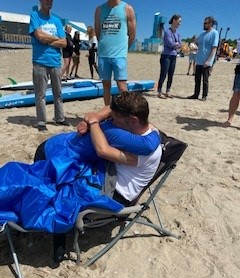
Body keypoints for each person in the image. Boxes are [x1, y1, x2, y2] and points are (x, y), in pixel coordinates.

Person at [35, 91, 162, 263]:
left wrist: (94, 121)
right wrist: (95, 117)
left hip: (113, 191)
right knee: (63, 179)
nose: (110, 121)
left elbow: (105, 150)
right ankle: (55, 232)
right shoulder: (143, 128)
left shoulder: (127, 139)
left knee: (64, 188)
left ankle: (58, 239)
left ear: (133, 120)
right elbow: (112, 110)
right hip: (89, 166)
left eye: (114, 119)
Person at [29, 0, 70, 132]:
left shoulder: (57, 20)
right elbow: (39, 35)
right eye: (47, 0)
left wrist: (46, 41)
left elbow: (64, 43)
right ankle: (41, 122)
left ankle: (59, 118)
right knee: (40, 94)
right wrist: (54, 38)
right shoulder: (35, 15)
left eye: (51, 0)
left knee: (58, 93)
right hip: (40, 61)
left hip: (55, 62)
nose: (49, 2)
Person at [94, 0, 136, 106]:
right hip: (103, 55)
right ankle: (108, 112)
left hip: (119, 56)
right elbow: (98, 33)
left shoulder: (127, 9)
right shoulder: (99, 10)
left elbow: (132, 35)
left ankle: (126, 113)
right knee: (106, 85)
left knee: (122, 86)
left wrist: (122, 50)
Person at [187, 16, 219, 101]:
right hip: (199, 60)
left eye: (205, 23)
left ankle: (204, 96)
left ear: (210, 24)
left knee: (205, 80)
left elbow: (214, 48)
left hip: (207, 61)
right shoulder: (202, 34)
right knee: (197, 79)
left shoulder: (214, 33)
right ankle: (195, 94)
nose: (204, 24)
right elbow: (197, 43)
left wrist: (209, 61)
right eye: (204, 23)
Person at [157, 14, 182, 99]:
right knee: (163, 74)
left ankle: (168, 91)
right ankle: (159, 91)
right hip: (166, 56)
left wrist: (176, 44)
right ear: (174, 20)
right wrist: (176, 44)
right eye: (179, 21)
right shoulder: (167, 32)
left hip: (173, 56)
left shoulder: (178, 33)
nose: (180, 23)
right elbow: (170, 44)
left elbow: (180, 44)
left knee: (171, 74)